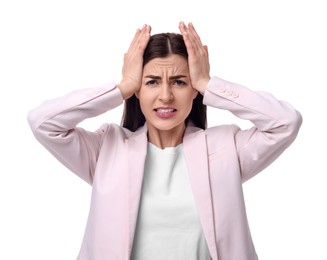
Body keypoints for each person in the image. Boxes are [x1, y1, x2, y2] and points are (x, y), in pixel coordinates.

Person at [27, 22, 302, 260]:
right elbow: (43, 122)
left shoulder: (225, 148)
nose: (166, 96)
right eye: (152, 82)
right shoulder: (106, 149)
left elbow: (285, 123)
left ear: (194, 90)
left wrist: (209, 83)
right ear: (138, 90)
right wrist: (123, 86)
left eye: (180, 82)